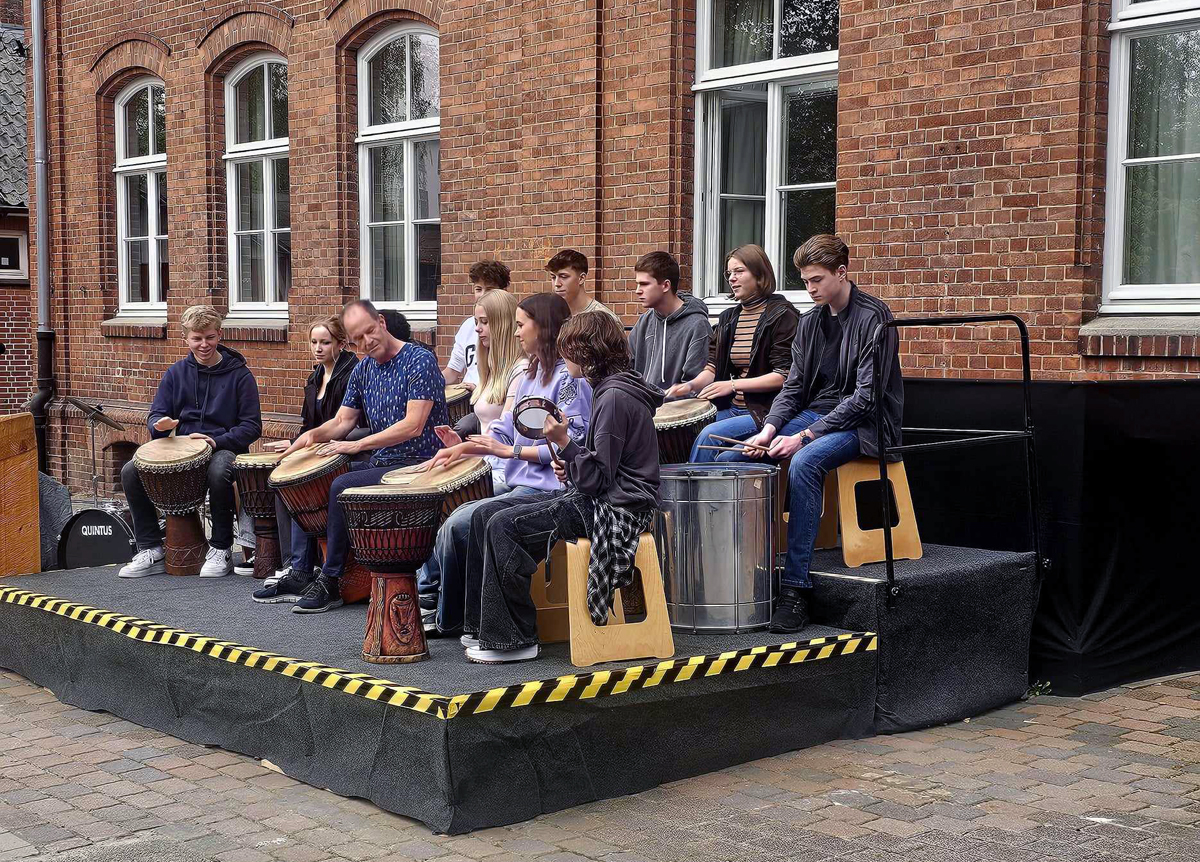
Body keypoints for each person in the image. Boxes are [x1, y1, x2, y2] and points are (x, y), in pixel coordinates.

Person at [459, 311, 662, 664]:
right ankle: (485, 627)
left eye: (569, 351)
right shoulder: (612, 389)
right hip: (603, 497)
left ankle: (515, 640)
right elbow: (601, 466)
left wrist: (566, 444)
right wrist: (571, 459)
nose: (565, 359)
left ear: (586, 352)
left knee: (504, 526)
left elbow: (598, 480)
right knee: (485, 514)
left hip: (618, 509)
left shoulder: (614, 397)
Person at [727, 235, 903, 634]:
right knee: (735, 457)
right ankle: (740, 577)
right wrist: (769, 427)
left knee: (804, 463)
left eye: (817, 280)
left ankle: (795, 590)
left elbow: (865, 399)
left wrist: (802, 437)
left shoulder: (875, 317)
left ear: (842, 273)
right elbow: (793, 386)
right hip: (818, 414)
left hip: (867, 425)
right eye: (805, 281)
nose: (810, 289)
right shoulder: (810, 321)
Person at [420, 293, 592, 636]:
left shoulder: (571, 380)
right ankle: (450, 611)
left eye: (520, 325)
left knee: (461, 523)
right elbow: (505, 424)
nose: (515, 333)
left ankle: (452, 617)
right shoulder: (530, 375)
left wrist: (508, 452)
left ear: (543, 328)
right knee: (450, 515)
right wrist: (466, 447)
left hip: (551, 489)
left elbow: (571, 446)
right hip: (518, 482)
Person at [268, 299, 448, 614]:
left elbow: (413, 425)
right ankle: (307, 569)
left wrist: (356, 446)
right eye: (357, 339)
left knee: (342, 485)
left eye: (369, 332)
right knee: (323, 478)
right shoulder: (363, 368)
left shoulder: (420, 360)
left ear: (381, 321)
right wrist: (310, 436)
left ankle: (331, 580)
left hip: (422, 464)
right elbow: (343, 421)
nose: (366, 343)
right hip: (386, 464)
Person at [118, 304, 262, 579]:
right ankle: (151, 548)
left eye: (209, 337)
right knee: (130, 471)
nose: (204, 344)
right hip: (180, 447)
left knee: (220, 471)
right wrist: (160, 425)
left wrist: (216, 441)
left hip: (224, 448)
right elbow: (157, 414)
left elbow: (251, 427)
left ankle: (221, 548)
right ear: (186, 339)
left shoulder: (240, 375)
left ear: (219, 335)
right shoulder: (176, 373)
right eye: (197, 338)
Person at [413, 288, 529, 617]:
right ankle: (428, 589)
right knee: (427, 492)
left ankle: (431, 594)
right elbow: (488, 430)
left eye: (484, 322)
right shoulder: (489, 365)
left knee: (442, 506)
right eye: (477, 321)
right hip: (484, 462)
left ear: (504, 324)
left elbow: (505, 435)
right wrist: (459, 446)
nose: (477, 328)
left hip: (506, 471)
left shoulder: (520, 372)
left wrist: (467, 448)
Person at [254, 316, 360, 600]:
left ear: (341, 343)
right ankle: (295, 567)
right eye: (314, 342)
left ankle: (302, 571)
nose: (318, 348)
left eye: (325, 342)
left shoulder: (354, 373)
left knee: (299, 484)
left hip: (346, 450)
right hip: (319, 451)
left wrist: (330, 442)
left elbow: (354, 423)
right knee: (284, 483)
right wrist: (292, 442)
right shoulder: (314, 377)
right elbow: (309, 426)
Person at [676, 244, 799, 460]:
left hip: (764, 412)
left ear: (760, 274)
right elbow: (712, 366)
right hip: (733, 409)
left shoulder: (783, 315)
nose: (732, 278)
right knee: (685, 431)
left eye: (739, 271)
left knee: (708, 436)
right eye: (729, 273)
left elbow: (783, 376)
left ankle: (697, 494)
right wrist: (691, 386)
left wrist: (733, 385)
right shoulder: (728, 318)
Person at [628, 251, 712, 394]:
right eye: (637, 284)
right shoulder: (645, 321)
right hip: (643, 405)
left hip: (677, 409)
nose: (637, 291)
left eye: (644, 284)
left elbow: (692, 386)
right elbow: (627, 367)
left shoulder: (697, 325)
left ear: (666, 285)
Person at [546, 249, 620, 320]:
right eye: (553, 277)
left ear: (581, 278)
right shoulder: (550, 315)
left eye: (564, 277)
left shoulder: (604, 318)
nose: (556, 284)